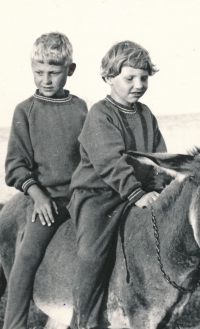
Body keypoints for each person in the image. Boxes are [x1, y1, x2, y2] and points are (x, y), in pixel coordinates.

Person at [68, 40, 167, 329]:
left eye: (144, 77)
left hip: (136, 193)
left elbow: (157, 157)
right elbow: (109, 161)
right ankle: (82, 320)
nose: (138, 84)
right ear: (109, 78)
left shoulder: (146, 114)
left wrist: (159, 188)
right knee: (92, 254)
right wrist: (137, 192)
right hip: (98, 195)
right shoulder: (101, 113)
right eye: (130, 78)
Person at [3, 32, 87, 329]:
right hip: (45, 199)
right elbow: (14, 166)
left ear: (70, 70)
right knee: (26, 256)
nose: (45, 80)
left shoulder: (81, 108)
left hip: (81, 197)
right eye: (39, 72)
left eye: (53, 73)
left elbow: (88, 158)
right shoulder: (25, 111)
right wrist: (38, 195)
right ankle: (13, 324)